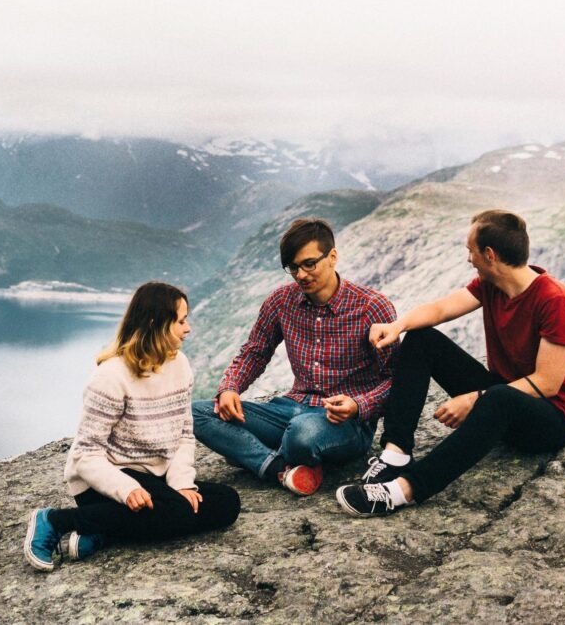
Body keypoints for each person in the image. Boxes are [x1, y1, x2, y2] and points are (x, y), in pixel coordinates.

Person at [336, 209, 565, 517]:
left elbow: (548, 383)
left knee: (498, 398)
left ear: (490, 254)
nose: (469, 258)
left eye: (471, 251)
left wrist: (476, 399)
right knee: (421, 338)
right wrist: (399, 326)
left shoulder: (555, 302)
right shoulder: (491, 286)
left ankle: (403, 491)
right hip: (502, 399)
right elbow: (442, 309)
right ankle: (396, 454)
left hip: (553, 420)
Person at [24, 281, 240, 571]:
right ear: (155, 324)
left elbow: (184, 435)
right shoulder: (111, 376)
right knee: (174, 512)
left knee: (227, 503)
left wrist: (182, 483)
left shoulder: (180, 365)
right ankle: (55, 520)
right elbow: (85, 455)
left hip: (157, 477)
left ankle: (104, 531)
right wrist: (125, 489)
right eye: (180, 321)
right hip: (104, 481)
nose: (188, 328)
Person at [193, 218, 399, 496]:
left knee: (304, 434)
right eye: (293, 267)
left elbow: (396, 378)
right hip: (288, 409)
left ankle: (252, 452)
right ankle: (278, 466)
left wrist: (358, 405)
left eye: (309, 264)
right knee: (198, 413)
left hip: (345, 422)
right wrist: (230, 387)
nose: (301, 274)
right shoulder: (281, 301)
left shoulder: (372, 307)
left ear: (333, 257)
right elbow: (255, 351)